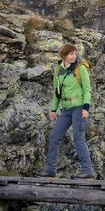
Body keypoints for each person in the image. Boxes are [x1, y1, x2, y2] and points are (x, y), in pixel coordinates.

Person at [39, 42, 94, 178]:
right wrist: (53, 109)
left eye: (75, 54)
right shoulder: (58, 70)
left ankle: (87, 171)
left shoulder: (80, 69)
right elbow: (56, 92)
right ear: (64, 55)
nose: (74, 56)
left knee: (78, 139)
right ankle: (50, 170)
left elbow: (87, 90)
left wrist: (86, 108)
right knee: (54, 136)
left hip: (79, 108)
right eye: (71, 54)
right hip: (66, 109)